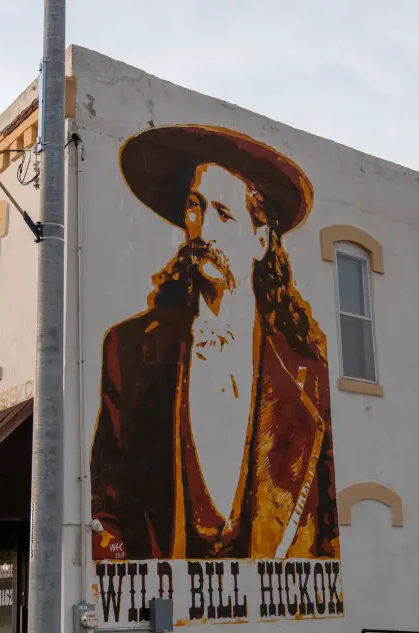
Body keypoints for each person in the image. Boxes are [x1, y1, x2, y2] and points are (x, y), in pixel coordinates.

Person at [90, 125, 340, 561]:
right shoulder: (129, 350)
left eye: (223, 214)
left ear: (260, 242)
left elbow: (328, 523)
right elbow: (103, 506)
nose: (203, 229)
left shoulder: (307, 370)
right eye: (195, 207)